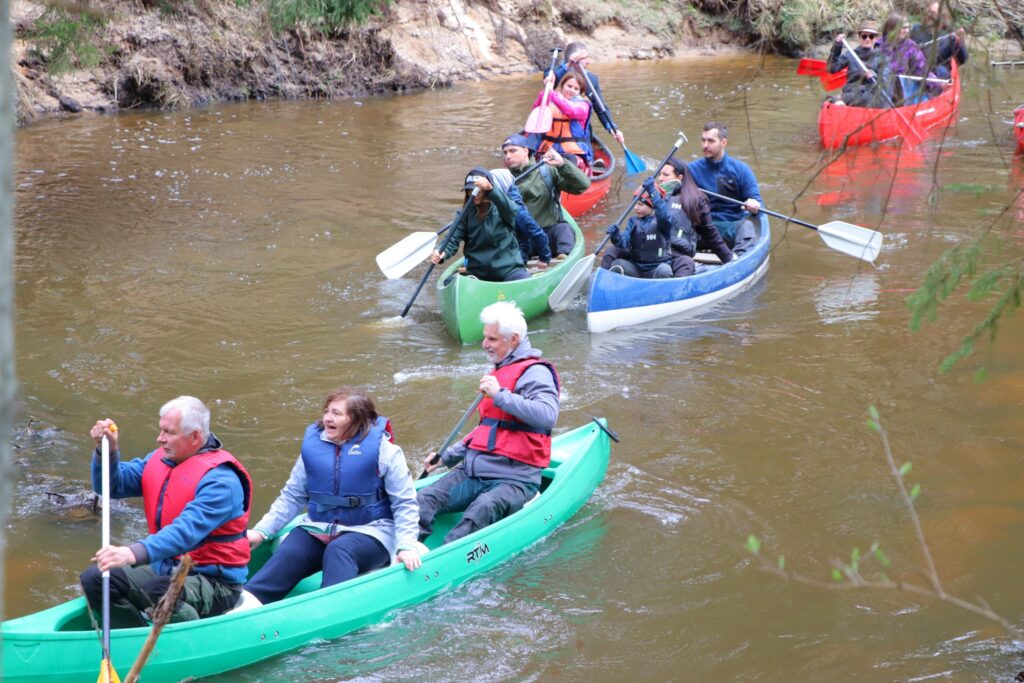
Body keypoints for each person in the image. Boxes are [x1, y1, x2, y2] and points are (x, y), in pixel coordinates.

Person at [79, 396, 252, 627]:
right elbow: (111, 486)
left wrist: (133, 553)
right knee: (96, 578)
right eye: (161, 430)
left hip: (215, 582)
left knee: (160, 591)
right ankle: (133, 635)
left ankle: (188, 639)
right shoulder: (162, 459)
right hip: (167, 569)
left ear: (195, 437)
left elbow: (185, 532)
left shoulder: (222, 481)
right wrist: (106, 452)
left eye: (168, 432)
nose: (160, 439)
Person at [242, 387, 420, 605]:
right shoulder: (313, 449)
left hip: (371, 532)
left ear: (356, 419)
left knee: (339, 550)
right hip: (319, 527)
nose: (327, 418)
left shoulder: (386, 452)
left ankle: (327, 611)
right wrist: (262, 531)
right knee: (290, 552)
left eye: (336, 413)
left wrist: (406, 545)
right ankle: (243, 608)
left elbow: (404, 504)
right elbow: (292, 496)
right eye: (326, 411)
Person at [417, 301, 560, 545]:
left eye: (492, 339)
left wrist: (500, 395)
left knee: (480, 509)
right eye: (486, 338)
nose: (484, 345)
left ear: (513, 340)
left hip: (516, 480)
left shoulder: (535, 372)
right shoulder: (498, 371)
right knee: (423, 499)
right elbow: (486, 429)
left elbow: (548, 414)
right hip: (474, 472)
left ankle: (443, 561)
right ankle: (404, 553)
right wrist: (446, 458)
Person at [498, 133, 589, 260]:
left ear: (525, 151)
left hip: (548, 234)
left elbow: (582, 186)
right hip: (521, 238)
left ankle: (563, 258)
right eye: (505, 152)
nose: (508, 156)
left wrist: (562, 164)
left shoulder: (547, 170)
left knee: (564, 229)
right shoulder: (501, 178)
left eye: (513, 151)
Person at [430, 167, 529, 282]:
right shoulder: (464, 213)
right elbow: (452, 238)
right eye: (469, 190)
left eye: (479, 190)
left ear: (486, 190)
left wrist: (492, 190)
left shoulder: (502, 208)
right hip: (478, 274)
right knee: (448, 282)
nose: (474, 194)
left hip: (508, 271)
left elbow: (513, 211)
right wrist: (441, 252)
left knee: (525, 281)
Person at [687, 122, 761, 257]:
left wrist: (753, 204)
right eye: (703, 140)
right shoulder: (691, 170)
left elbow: (756, 201)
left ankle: (738, 260)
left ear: (724, 142)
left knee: (747, 227)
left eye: (710, 141)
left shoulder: (741, 170)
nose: (705, 145)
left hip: (730, 226)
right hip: (701, 228)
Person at [551, 41, 626, 148]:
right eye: (584, 58)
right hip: (555, 126)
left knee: (584, 138)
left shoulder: (592, 79)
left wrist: (612, 128)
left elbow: (600, 107)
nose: (589, 62)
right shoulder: (554, 73)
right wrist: (569, 65)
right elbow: (552, 80)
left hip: (578, 129)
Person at [603, 177, 676, 279]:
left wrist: (652, 192)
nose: (636, 208)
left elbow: (663, 215)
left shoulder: (663, 222)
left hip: (656, 269)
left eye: (640, 204)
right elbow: (624, 243)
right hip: (637, 269)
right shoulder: (633, 221)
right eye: (635, 204)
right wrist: (616, 236)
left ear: (652, 205)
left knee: (665, 270)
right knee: (618, 263)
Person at [536, 71, 594, 172]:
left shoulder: (583, 105)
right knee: (543, 164)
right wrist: (546, 91)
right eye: (569, 86)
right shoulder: (550, 99)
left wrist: (552, 93)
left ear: (580, 92)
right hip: (549, 150)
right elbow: (537, 111)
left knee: (568, 161)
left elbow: (571, 110)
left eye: (576, 88)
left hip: (573, 154)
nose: (571, 90)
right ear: (562, 85)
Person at [878, 12, 937, 104]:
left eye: (907, 27)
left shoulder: (911, 46)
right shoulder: (878, 44)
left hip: (901, 89)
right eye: (903, 28)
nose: (907, 31)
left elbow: (921, 69)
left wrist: (936, 83)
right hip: (881, 85)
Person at [826, 20, 884, 107]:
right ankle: (838, 102)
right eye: (864, 36)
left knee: (874, 99)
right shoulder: (850, 54)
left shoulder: (881, 57)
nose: (867, 39)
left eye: (871, 36)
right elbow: (831, 69)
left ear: (876, 39)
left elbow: (886, 81)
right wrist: (837, 46)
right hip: (852, 93)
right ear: (859, 37)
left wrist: (874, 75)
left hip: (871, 93)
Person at [909, 1, 967, 80]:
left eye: (934, 13)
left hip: (938, 70)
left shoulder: (949, 33)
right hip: (919, 66)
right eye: (929, 12)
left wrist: (960, 41)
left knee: (941, 71)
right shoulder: (916, 29)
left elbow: (962, 59)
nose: (930, 16)